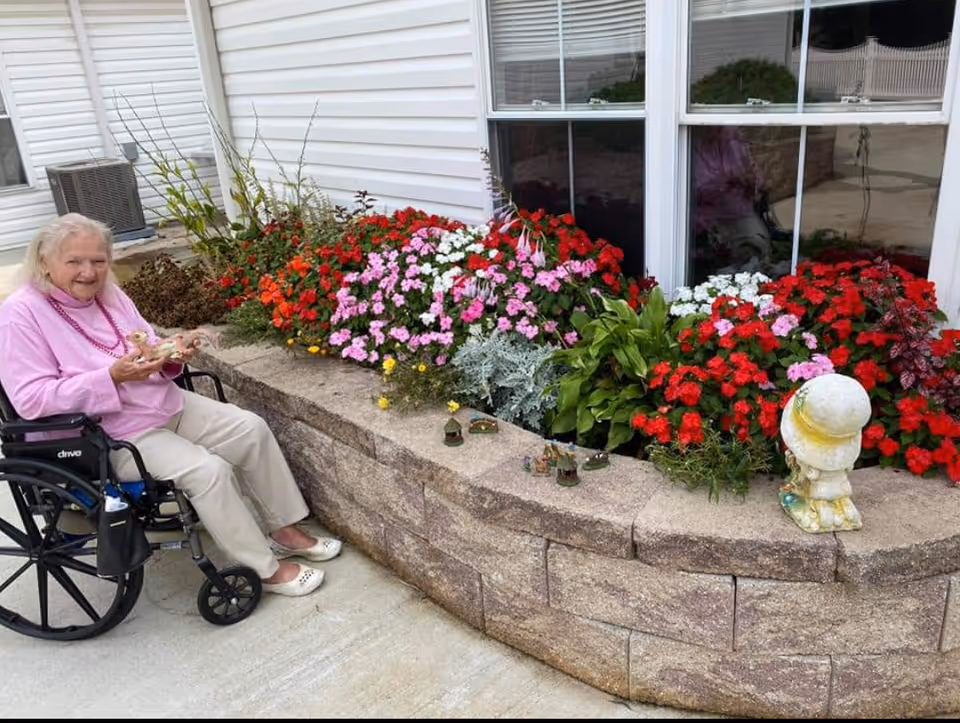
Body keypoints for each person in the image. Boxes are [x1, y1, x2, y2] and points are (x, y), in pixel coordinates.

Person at [0, 213, 340, 597]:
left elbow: (147, 344)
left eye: (98, 260)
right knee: (207, 470)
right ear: (44, 262)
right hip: (108, 434)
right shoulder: (20, 314)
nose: (89, 272)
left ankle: (283, 528)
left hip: (163, 404)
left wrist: (174, 350)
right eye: (74, 261)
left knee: (250, 429)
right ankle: (263, 567)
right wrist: (110, 377)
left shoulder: (110, 294)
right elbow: (30, 400)